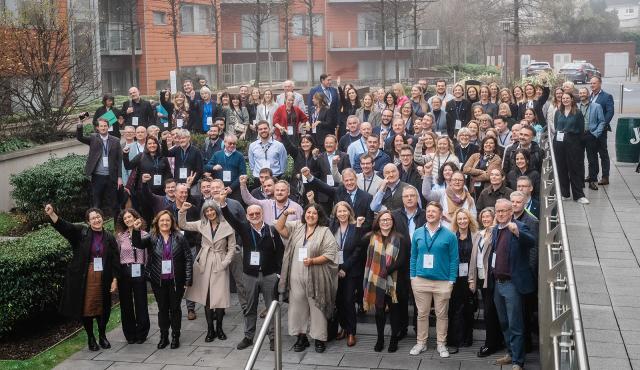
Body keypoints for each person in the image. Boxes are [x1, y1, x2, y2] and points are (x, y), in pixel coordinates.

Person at [45, 204, 120, 351]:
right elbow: (66, 228)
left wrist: (115, 279)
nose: (96, 220)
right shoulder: (81, 233)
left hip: (103, 276)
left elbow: (116, 260)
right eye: (93, 218)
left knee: (103, 308)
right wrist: (53, 214)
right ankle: (91, 337)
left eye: (98, 217)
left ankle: (102, 336)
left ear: (102, 218)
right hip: (86, 277)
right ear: (88, 221)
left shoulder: (109, 237)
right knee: (87, 309)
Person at [219, 193, 284, 352]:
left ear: (262, 214)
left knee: (271, 308)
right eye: (251, 214)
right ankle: (249, 337)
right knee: (249, 307)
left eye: (257, 213)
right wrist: (222, 203)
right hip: (250, 275)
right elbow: (230, 219)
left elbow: (280, 253)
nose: (255, 216)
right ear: (247, 217)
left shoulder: (271, 230)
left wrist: (278, 273)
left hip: (269, 275)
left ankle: (273, 338)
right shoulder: (244, 229)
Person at [275, 204, 338, 353]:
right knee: (297, 307)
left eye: (314, 213)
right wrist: (285, 214)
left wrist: (313, 261)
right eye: (308, 212)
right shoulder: (297, 226)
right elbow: (279, 227)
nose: (310, 215)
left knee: (317, 307)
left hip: (316, 274)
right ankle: (301, 337)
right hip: (296, 274)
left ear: (319, 216)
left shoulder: (324, 231)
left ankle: (319, 338)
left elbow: (331, 253)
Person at [132, 210, 193, 349]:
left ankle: (175, 336)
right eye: (162, 220)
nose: (165, 223)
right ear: (157, 222)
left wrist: (188, 280)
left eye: (167, 220)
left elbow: (188, 258)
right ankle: (163, 336)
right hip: (158, 281)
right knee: (162, 309)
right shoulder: (152, 237)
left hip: (176, 281)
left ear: (172, 222)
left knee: (175, 309)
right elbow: (138, 244)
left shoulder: (179, 237)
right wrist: (136, 230)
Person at [489, 199, 536, 370]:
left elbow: (531, 241)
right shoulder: (495, 230)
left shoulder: (518, 226)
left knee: (515, 323)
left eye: (504, 211)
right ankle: (510, 353)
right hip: (498, 283)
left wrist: (518, 233)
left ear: (511, 212)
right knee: (503, 322)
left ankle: (518, 361)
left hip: (512, 284)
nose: (500, 214)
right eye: (498, 211)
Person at [178, 200, 235, 343]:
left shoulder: (227, 225)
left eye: (211, 210)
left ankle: (220, 328)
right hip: (204, 262)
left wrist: (225, 263)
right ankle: (210, 330)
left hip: (220, 262)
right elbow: (183, 225)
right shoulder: (202, 224)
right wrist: (182, 211)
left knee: (220, 297)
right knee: (207, 297)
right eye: (206, 211)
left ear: (216, 210)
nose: (209, 213)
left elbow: (232, 248)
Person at [408, 201, 458, 358]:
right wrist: (413, 276)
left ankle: (441, 344)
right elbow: (414, 256)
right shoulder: (417, 232)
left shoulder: (450, 235)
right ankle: (421, 343)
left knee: (441, 315)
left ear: (440, 214)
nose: (430, 214)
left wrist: (451, 280)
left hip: (442, 282)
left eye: (433, 211)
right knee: (421, 314)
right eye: (428, 211)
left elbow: (454, 259)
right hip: (420, 280)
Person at [363, 210, 407, 352]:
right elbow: (358, 243)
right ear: (378, 222)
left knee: (394, 311)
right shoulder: (371, 237)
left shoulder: (400, 238)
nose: (386, 222)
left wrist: (386, 270)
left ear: (393, 222)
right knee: (379, 312)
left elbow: (402, 260)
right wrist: (358, 226)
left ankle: (394, 338)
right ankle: (380, 338)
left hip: (394, 281)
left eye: (388, 219)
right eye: (383, 220)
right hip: (375, 280)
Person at [468, 207, 504, 358]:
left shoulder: (497, 234)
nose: (485, 220)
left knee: (490, 312)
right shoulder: (478, 234)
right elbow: (473, 258)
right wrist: (471, 278)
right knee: (489, 311)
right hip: (481, 277)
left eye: (489, 217)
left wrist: (494, 226)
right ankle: (495, 340)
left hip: (492, 278)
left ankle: (491, 343)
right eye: (483, 217)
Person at [330, 202, 366, 347]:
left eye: (345, 211)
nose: (342, 214)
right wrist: (337, 268)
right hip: (334, 269)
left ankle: (351, 332)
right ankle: (343, 328)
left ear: (349, 212)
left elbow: (358, 250)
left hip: (350, 270)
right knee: (338, 301)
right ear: (336, 213)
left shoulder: (355, 227)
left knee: (349, 301)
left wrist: (344, 268)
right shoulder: (332, 227)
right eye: (339, 211)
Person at [115, 209, 150, 344]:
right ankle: (130, 334)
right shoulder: (120, 237)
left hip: (139, 270)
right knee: (126, 304)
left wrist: (145, 270)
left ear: (136, 217)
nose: (128, 219)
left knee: (141, 302)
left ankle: (142, 333)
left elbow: (147, 255)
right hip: (125, 271)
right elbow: (117, 256)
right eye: (125, 218)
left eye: (130, 216)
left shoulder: (145, 235)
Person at [77, 118, 123, 218]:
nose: (103, 128)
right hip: (97, 177)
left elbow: (120, 160)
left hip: (112, 177)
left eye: (105, 126)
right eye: (101, 126)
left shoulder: (115, 141)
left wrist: (120, 177)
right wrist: (80, 124)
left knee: (115, 205)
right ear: (97, 128)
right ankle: (96, 227)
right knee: (96, 204)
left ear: (108, 127)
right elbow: (80, 137)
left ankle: (118, 229)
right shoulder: (93, 138)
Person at [447, 208, 479, 352]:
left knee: (468, 308)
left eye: (464, 218)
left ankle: (466, 338)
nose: (462, 221)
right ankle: (454, 339)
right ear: (456, 221)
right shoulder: (451, 236)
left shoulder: (476, 236)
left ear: (469, 219)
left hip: (469, 278)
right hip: (454, 277)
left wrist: (473, 280)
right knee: (454, 309)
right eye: (459, 219)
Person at [554, 93, 589, 204]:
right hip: (559, 143)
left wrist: (577, 144)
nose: (565, 100)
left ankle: (578, 195)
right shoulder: (558, 112)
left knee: (574, 169)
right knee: (561, 168)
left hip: (573, 142)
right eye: (563, 98)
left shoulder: (577, 113)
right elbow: (556, 127)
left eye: (567, 98)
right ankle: (565, 193)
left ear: (572, 99)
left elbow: (581, 129)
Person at [577, 87, 607, 191]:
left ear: (588, 94)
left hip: (591, 135)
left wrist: (596, 133)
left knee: (592, 159)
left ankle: (592, 181)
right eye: (580, 93)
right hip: (579, 136)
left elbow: (602, 121)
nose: (582, 94)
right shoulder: (576, 107)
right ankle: (580, 181)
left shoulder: (596, 106)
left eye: (584, 92)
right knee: (579, 159)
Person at [204, 134, 246, 201]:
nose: (232, 145)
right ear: (225, 142)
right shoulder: (217, 154)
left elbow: (243, 174)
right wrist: (213, 167)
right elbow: (206, 167)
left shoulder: (240, 156)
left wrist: (231, 187)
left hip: (234, 190)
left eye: (234, 144)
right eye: (230, 143)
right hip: (219, 189)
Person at [589, 76, 615, 185]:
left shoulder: (607, 97)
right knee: (592, 154)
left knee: (603, 154)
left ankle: (605, 177)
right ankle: (593, 175)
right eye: (591, 83)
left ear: (600, 83)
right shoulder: (589, 96)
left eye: (594, 83)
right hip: (590, 131)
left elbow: (610, 112)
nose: (592, 85)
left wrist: (602, 125)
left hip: (601, 131)